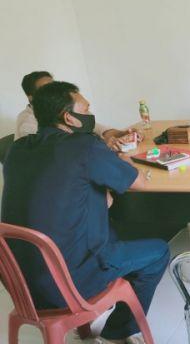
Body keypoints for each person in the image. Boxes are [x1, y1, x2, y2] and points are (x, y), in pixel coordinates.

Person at [1, 81, 169, 343]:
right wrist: (124, 160)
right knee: (158, 252)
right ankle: (118, 332)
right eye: (86, 109)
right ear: (69, 117)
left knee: (110, 232)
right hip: (70, 283)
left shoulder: (17, 150)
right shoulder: (84, 146)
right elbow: (138, 182)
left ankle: (101, 313)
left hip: (21, 285)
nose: (90, 114)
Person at [15, 71, 142, 151]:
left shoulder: (61, 109)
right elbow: (54, 153)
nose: (53, 92)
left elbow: (93, 126)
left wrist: (120, 134)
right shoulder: (27, 123)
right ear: (31, 97)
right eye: (45, 90)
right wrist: (103, 147)